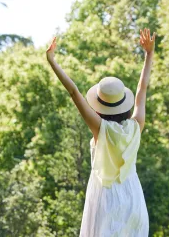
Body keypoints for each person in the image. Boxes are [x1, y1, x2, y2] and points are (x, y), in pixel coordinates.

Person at [46, 28, 155, 236]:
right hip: (133, 197)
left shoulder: (100, 129)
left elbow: (73, 91)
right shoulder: (136, 125)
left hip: (106, 198)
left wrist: (52, 60)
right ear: (125, 104)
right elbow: (142, 88)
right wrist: (149, 54)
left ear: (99, 107)